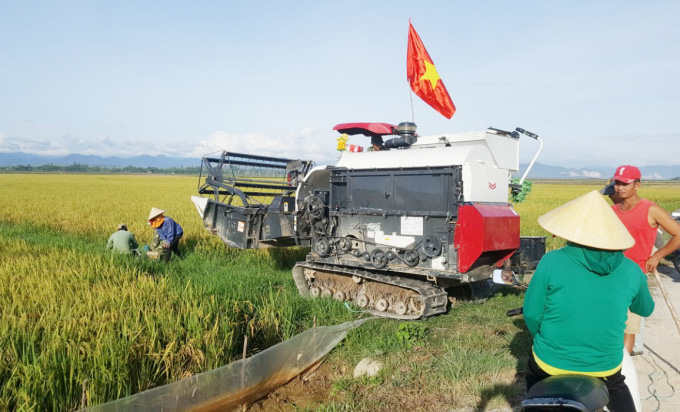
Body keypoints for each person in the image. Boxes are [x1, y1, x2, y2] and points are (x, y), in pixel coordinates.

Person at [524, 190, 654, 411]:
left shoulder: (551, 260)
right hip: (604, 366)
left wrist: (549, 339)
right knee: (617, 385)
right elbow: (645, 308)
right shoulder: (632, 269)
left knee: (533, 374)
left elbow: (531, 314)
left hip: (550, 362)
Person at [607, 165, 680, 354]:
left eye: (625, 183)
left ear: (637, 185)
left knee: (629, 325)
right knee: (610, 321)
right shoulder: (612, 210)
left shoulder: (651, 209)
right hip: (609, 274)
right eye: (617, 183)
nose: (620, 187)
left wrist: (657, 256)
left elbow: (678, 234)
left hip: (635, 274)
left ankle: (623, 367)